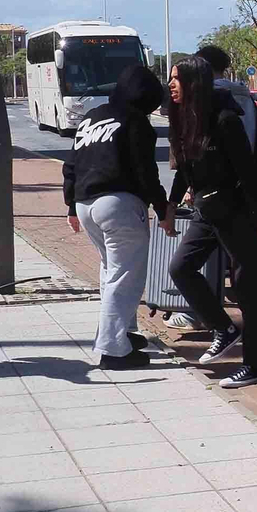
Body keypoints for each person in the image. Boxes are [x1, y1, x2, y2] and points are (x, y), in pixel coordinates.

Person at [167, 44, 257, 334]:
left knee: (237, 265)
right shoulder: (243, 96)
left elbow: (195, 154)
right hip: (242, 190)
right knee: (247, 263)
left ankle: (211, 322)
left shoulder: (212, 103)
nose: (173, 85)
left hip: (225, 194)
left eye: (179, 76)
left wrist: (189, 188)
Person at [165, 59, 257, 389]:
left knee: (248, 288)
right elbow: (185, 170)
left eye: (177, 79)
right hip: (205, 212)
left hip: (236, 212)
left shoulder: (225, 121)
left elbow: (248, 174)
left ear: (195, 83)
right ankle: (223, 328)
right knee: (180, 268)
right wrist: (170, 205)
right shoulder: (185, 120)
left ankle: (255, 365)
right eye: (170, 79)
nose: (171, 85)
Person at [63, 64, 172, 370]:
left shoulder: (90, 117)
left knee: (110, 271)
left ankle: (122, 332)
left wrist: (71, 204)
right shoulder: (136, 122)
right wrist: (163, 209)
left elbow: (71, 164)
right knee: (125, 277)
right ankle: (113, 350)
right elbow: (145, 171)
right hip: (119, 203)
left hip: (86, 204)